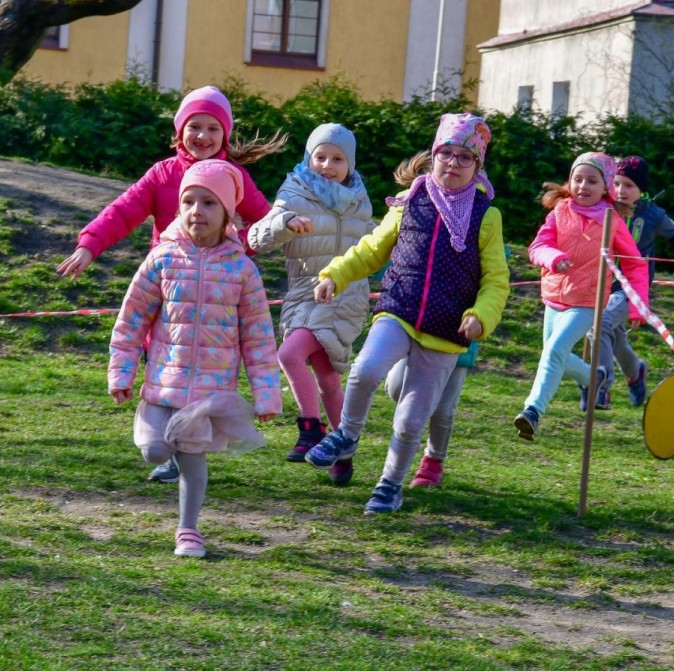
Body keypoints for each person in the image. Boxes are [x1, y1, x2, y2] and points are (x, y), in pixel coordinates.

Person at [57, 85, 284, 485]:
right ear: (180, 131)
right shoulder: (162, 174)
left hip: (218, 289)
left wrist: (284, 228)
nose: (203, 136)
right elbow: (123, 211)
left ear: (225, 135)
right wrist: (90, 245)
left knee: (204, 375)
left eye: (213, 128)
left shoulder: (234, 177)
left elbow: (264, 220)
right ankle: (165, 441)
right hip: (171, 289)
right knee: (167, 365)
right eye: (194, 126)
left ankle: (183, 450)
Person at [306, 113, 508, 514]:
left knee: (411, 421)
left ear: (477, 166)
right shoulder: (410, 200)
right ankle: (347, 433)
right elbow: (370, 250)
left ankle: (389, 485)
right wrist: (334, 275)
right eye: (445, 153)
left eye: (464, 157)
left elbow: (496, 280)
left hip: (447, 331)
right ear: (432, 156)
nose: (452, 162)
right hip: (398, 309)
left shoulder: (487, 216)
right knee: (365, 369)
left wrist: (481, 316)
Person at [107, 160, 282, 558]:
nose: (196, 211)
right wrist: (122, 371)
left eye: (208, 203)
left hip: (208, 392)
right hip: (162, 383)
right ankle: (159, 449)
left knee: (192, 457)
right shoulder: (162, 260)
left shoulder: (243, 270)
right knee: (154, 450)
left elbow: (258, 339)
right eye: (188, 201)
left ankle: (188, 530)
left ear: (228, 214)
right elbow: (131, 318)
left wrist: (267, 396)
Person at [247, 123, 374, 486]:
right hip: (304, 291)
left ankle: (310, 430)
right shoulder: (294, 190)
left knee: (289, 354)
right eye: (320, 156)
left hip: (344, 294)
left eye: (337, 159)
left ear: (350, 164)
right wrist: (285, 223)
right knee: (329, 379)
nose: (327, 165)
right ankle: (344, 449)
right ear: (309, 157)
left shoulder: (359, 200)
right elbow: (258, 236)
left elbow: (373, 245)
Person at [514, 152, 650, 440]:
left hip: (587, 303)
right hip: (554, 296)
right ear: (569, 181)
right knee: (557, 358)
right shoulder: (559, 212)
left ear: (606, 188)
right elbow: (538, 246)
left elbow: (636, 265)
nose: (582, 186)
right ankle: (594, 377)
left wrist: (638, 308)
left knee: (553, 352)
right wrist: (553, 257)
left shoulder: (612, 221)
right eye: (577, 179)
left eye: (592, 181)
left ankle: (532, 412)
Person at [583, 155, 674, 410]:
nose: (621, 191)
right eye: (617, 183)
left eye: (629, 186)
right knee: (615, 338)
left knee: (599, 326)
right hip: (603, 284)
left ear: (642, 190)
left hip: (631, 288)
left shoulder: (654, 215)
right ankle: (636, 372)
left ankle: (602, 388)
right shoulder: (604, 206)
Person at [383, 341, 478, 488]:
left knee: (442, 411)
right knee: (397, 387)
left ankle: (433, 462)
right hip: (417, 332)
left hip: (458, 344)